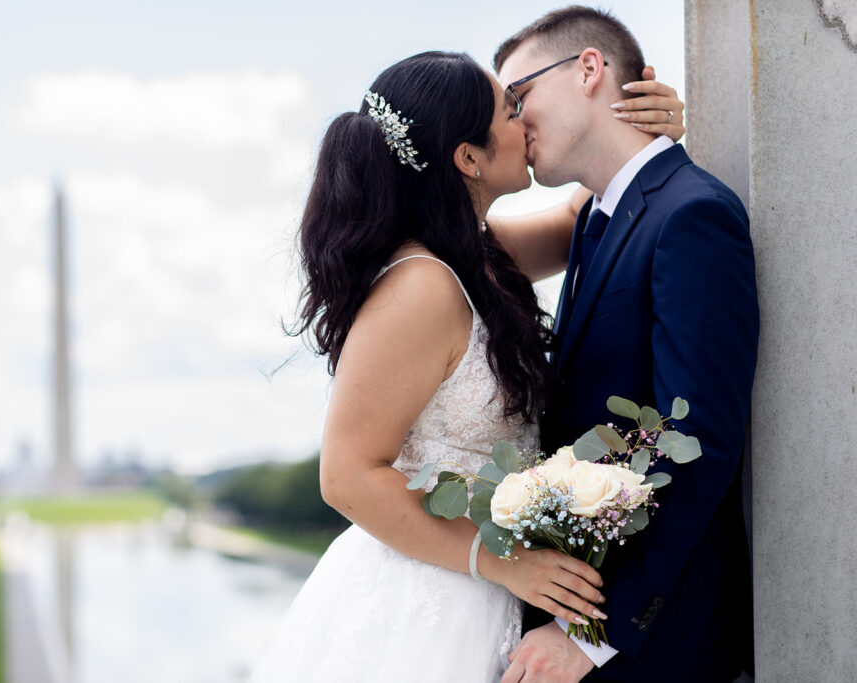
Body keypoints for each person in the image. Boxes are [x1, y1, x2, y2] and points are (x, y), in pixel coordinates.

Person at [249, 50, 685, 683]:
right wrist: (500, 562)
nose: (525, 119)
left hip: (486, 593)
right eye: (511, 109)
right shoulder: (422, 286)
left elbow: (578, 219)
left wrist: (651, 126)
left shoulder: (475, 254)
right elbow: (345, 476)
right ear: (468, 158)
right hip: (425, 600)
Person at [492, 7, 758, 683]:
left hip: (656, 644)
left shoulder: (691, 213)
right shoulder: (597, 219)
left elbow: (695, 439)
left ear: (587, 69)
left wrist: (590, 631)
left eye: (519, 96)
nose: (513, 122)